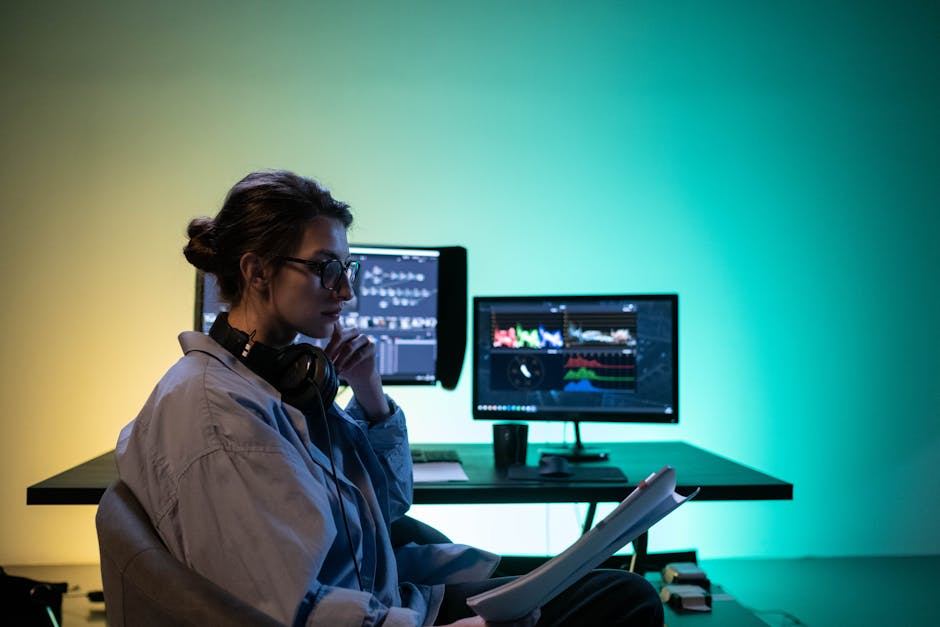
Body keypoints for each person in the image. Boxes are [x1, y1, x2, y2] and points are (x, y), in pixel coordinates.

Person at [115, 169, 664, 626]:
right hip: (382, 617)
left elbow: (390, 500)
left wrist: (370, 392)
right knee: (625, 599)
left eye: (347, 269)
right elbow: (288, 612)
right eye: (327, 269)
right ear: (257, 271)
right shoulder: (221, 416)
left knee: (601, 585)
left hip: (391, 600)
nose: (346, 292)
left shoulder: (272, 381)